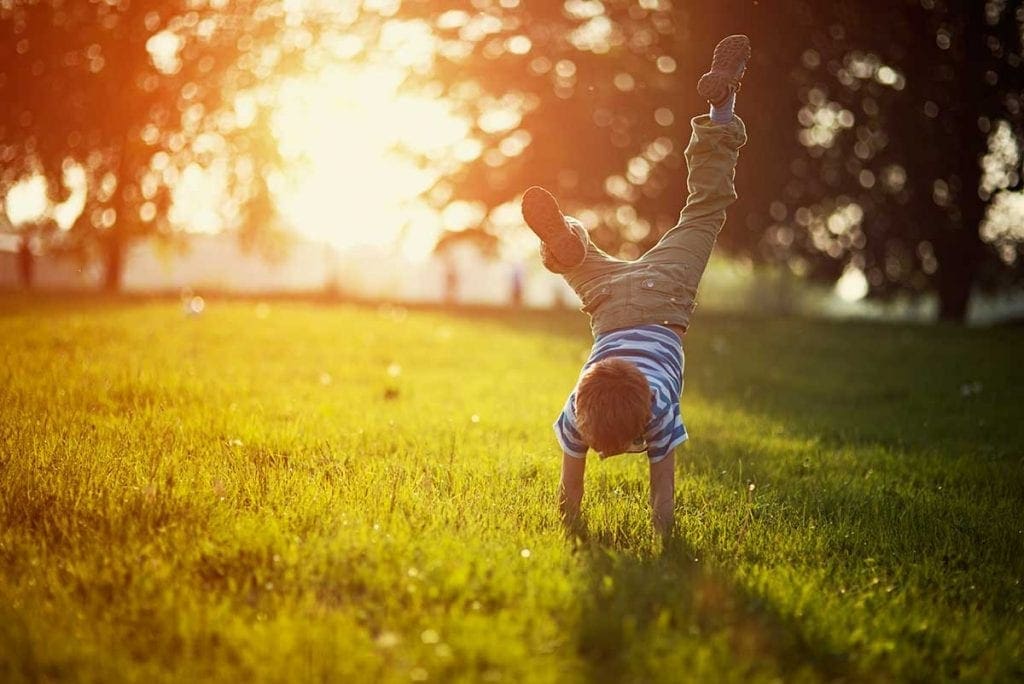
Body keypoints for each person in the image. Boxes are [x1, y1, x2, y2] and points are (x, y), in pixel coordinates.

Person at [521, 35, 750, 537]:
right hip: (608, 302)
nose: (601, 452)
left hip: (663, 293)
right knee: (689, 212)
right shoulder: (581, 409)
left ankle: (721, 107)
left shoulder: (644, 410)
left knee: (704, 210)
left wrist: (573, 530)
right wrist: (659, 536)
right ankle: (570, 246)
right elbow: (656, 499)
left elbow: (574, 496)